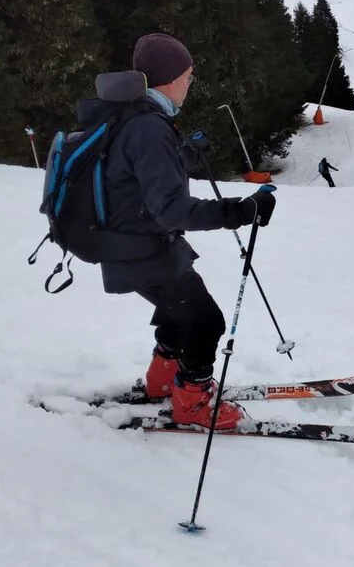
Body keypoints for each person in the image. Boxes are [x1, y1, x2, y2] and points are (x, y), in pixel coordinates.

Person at [94, 32, 276, 430]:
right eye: (189, 76)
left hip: (133, 243)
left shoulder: (135, 115)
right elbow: (171, 210)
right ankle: (192, 404)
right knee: (205, 321)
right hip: (141, 248)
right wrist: (241, 210)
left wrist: (182, 153)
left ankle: (162, 382)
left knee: (182, 313)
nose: (191, 84)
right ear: (169, 79)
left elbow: (135, 176)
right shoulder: (148, 126)